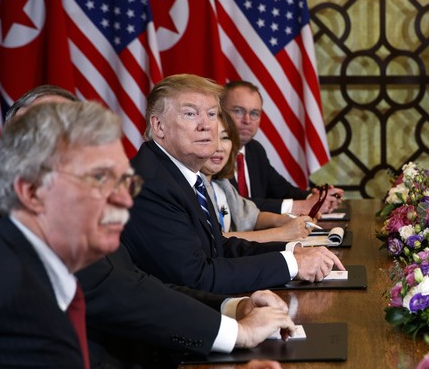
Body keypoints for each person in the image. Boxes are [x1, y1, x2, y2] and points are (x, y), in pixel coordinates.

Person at [0, 101, 290, 369]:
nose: (123, 201)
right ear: (31, 192)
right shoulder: (5, 295)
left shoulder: (32, 262)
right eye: (99, 180)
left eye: (125, 181)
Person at [0, 86, 297, 369]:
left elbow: (137, 281)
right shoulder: (0, 219)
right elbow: (120, 294)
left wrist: (233, 307)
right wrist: (236, 333)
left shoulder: (64, 210)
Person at [123, 74, 343, 295]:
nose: (206, 126)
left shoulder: (183, 174)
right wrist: (292, 266)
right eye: (190, 114)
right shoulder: (149, 184)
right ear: (159, 126)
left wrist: (292, 252)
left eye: (211, 114)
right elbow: (196, 277)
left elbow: (218, 248)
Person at [223, 80, 344, 215]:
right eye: (238, 111)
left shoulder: (255, 150)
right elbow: (235, 205)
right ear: (220, 112)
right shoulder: (212, 155)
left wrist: (317, 198)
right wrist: (298, 207)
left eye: (254, 113)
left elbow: (281, 189)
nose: (247, 120)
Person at [202, 110, 314, 243]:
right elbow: (214, 241)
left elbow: (251, 217)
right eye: (209, 139)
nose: (219, 147)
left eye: (225, 138)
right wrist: (282, 233)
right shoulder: (194, 188)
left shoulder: (221, 184)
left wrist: (285, 220)